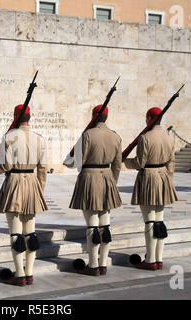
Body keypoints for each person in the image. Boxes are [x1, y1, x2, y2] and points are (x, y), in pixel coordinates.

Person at [0, 104, 48, 286]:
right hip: (32, 183)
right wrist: (39, 190)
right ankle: (29, 274)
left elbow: (5, 167)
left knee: (16, 232)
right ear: (29, 118)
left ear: (15, 117)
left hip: (14, 182)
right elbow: (43, 169)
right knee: (30, 232)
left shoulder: (8, 137)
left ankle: (20, 275)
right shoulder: (40, 139)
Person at [64, 105, 122, 276]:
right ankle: (103, 264)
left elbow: (78, 161)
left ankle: (93, 265)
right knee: (105, 225)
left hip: (89, 178)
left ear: (93, 116)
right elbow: (117, 165)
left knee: (92, 226)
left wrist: (68, 162)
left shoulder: (88, 135)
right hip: (107, 178)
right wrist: (111, 182)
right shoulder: (115, 136)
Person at [123, 107, 178, 270]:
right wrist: (167, 179)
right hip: (163, 176)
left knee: (149, 221)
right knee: (159, 220)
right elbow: (171, 163)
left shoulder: (145, 138)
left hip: (148, 177)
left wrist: (124, 161)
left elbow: (140, 162)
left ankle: (150, 261)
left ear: (149, 118)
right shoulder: (168, 138)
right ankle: (158, 258)